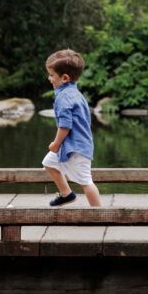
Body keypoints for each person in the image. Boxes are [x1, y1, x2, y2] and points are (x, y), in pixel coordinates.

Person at [42, 49, 101, 207]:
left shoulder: (64, 97)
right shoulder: (74, 92)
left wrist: (56, 143)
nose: (49, 78)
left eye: (52, 75)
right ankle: (66, 194)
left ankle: (99, 213)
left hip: (77, 147)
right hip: (70, 145)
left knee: (86, 182)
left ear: (65, 78)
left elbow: (65, 125)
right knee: (48, 162)